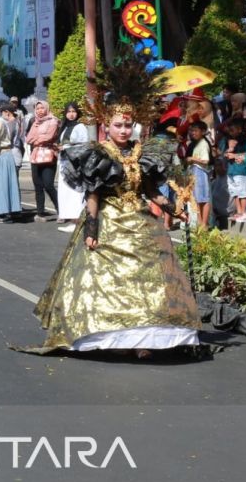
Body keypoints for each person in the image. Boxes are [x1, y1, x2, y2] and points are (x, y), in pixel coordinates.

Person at [22, 60, 201, 357]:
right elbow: (92, 194)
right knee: (105, 282)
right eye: (118, 125)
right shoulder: (99, 154)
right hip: (108, 221)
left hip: (140, 221)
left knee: (150, 279)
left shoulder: (143, 152)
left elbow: (149, 190)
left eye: (127, 125)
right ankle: (111, 336)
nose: (123, 129)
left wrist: (174, 209)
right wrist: (91, 229)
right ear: (107, 125)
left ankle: (146, 340)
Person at [55, 102, 90, 231]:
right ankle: (72, 219)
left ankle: (77, 220)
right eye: (69, 111)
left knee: (75, 191)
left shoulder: (80, 126)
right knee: (66, 191)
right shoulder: (65, 126)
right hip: (65, 162)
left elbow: (84, 145)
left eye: (73, 111)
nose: (71, 114)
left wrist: (65, 147)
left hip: (74, 163)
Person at [25, 100, 60, 220]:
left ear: (46, 108)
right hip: (35, 156)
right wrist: (38, 137)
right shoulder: (34, 122)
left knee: (49, 184)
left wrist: (38, 139)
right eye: (37, 108)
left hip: (48, 155)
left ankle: (61, 210)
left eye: (42, 108)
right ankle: (40, 213)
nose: (40, 110)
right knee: (38, 185)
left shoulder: (53, 121)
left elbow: (49, 136)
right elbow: (29, 139)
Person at [0, 102, 21, 222]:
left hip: (3, 154)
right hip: (3, 154)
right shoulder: (3, 122)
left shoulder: (1, 122)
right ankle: (6, 212)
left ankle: (5, 214)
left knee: (3, 185)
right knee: (5, 184)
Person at [186, 120, 213, 228]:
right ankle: (200, 222)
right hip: (195, 172)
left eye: (196, 131)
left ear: (202, 131)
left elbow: (205, 161)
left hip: (201, 172)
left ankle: (204, 224)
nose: (193, 133)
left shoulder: (204, 144)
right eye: (192, 131)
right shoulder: (197, 144)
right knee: (197, 198)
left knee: (204, 199)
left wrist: (192, 159)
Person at [224, 117, 246, 222]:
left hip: (242, 170)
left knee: (243, 191)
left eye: (232, 130)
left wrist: (234, 155)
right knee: (235, 192)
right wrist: (229, 150)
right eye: (229, 130)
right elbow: (225, 154)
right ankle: (238, 212)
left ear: (239, 128)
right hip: (231, 170)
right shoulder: (228, 139)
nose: (231, 132)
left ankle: (243, 212)